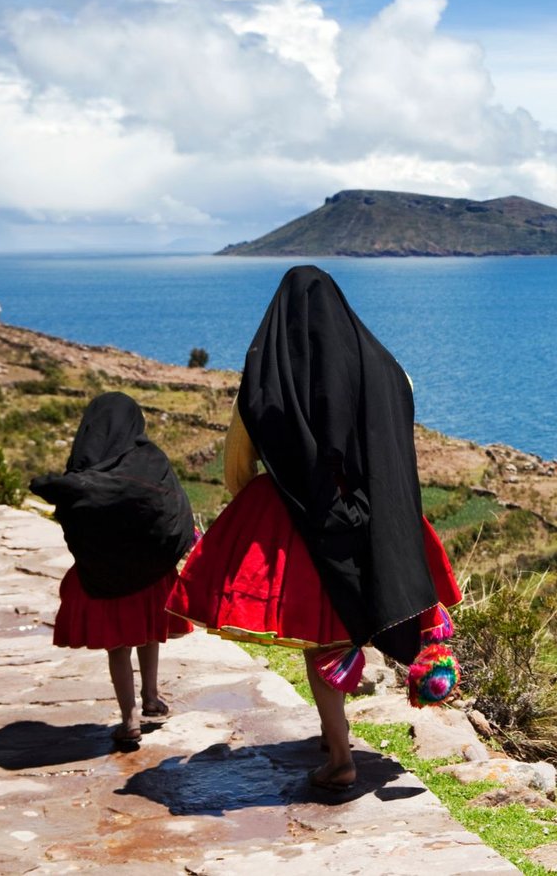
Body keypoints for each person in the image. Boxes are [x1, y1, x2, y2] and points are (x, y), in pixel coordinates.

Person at [169, 265, 461, 791]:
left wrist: (263, 509)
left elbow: (239, 466)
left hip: (302, 519)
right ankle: (339, 737)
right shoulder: (390, 373)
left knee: (321, 640)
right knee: (370, 617)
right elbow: (396, 449)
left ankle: (339, 753)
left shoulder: (267, 385)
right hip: (384, 517)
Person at [30, 392, 197, 750]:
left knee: (117, 647)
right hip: (151, 574)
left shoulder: (86, 467)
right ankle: (151, 697)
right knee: (150, 632)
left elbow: (75, 512)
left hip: (105, 576)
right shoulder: (150, 460)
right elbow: (172, 506)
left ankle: (130, 718)